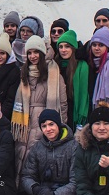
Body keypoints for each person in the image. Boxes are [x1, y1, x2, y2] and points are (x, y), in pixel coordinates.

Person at [11, 35, 67, 184]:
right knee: (21, 155)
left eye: (36, 52)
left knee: (38, 158)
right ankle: (21, 190)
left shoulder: (54, 74)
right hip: (24, 121)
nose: (33, 56)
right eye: (29, 53)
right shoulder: (25, 73)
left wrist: (60, 125)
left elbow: (62, 104)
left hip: (44, 121)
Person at [18, 109, 78, 195]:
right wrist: (36, 189)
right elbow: (27, 175)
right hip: (43, 190)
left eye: (51, 124)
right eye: (44, 126)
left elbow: (76, 181)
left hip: (63, 192)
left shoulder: (73, 147)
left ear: (58, 125)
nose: (48, 129)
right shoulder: (37, 147)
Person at [56, 30, 90, 129]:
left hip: (74, 111)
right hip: (59, 110)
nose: (63, 50)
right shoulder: (55, 65)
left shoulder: (82, 66)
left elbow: (84, 94)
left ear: (73, 48)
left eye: (67, 46)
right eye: (61, 47)